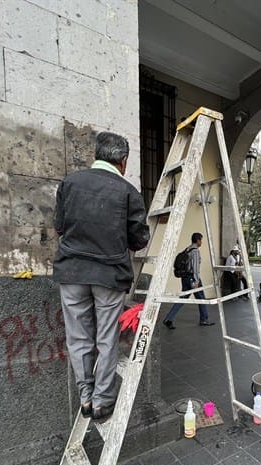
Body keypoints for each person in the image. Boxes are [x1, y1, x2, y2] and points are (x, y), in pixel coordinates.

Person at [53, 131, 150, 423]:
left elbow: (59, 226)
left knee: (78, 338)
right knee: (106, 338)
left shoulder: (69, 184)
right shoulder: (128, 192)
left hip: (71, 272)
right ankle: (102, 402)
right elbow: (139, 239)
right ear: (123, 161)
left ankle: (85, 397)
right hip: (108, 275)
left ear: (97, 154)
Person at [163, 233, 216, 329]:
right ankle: (204, 320)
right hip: (192, 278)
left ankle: (168, 319)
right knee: (202, 299)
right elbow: (195, 268)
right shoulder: (195, 251)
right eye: (201, 240)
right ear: (198, 240)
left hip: (185, 278)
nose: (201, 242)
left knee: (183, 298)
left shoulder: (187, 249)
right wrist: (196, 281)